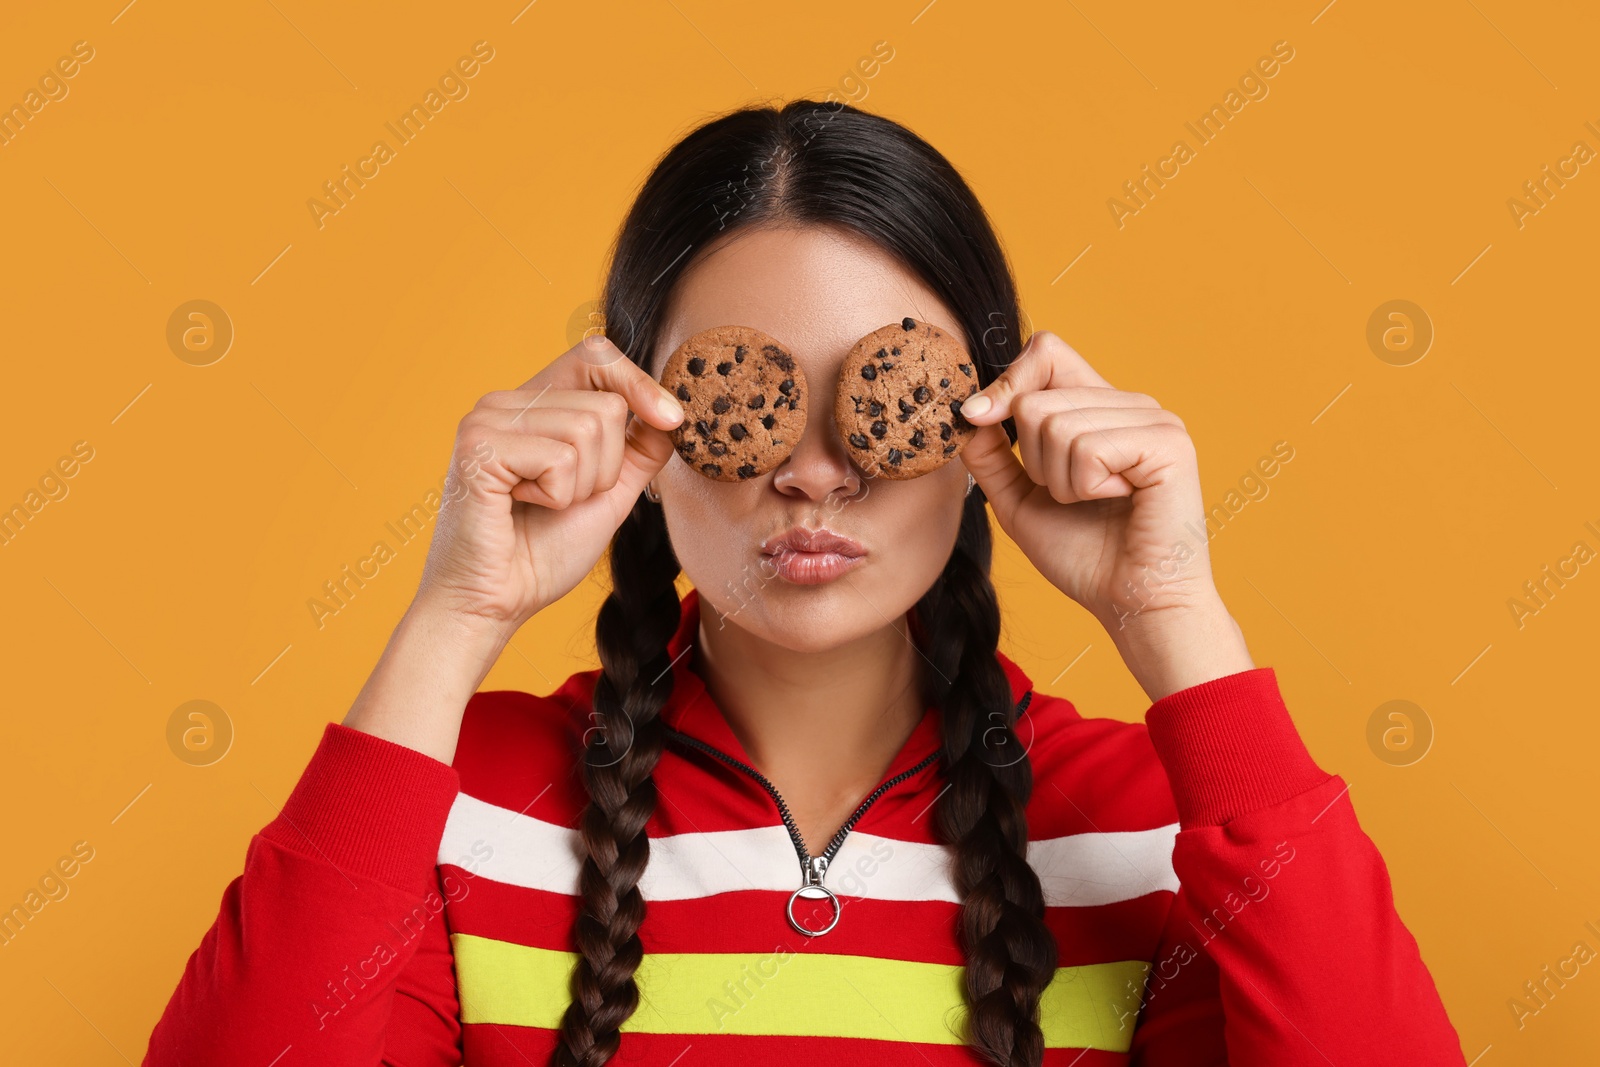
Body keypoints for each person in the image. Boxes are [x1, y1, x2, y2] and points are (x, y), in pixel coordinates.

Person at [141, 100, 1466, 1067]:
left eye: (883, 396)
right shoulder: (467, 805)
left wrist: (1175, 620)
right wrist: (454, 617)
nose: (818, 474)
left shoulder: (1137, 830)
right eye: (752, 399)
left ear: (985, 423)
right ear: (639, 422)